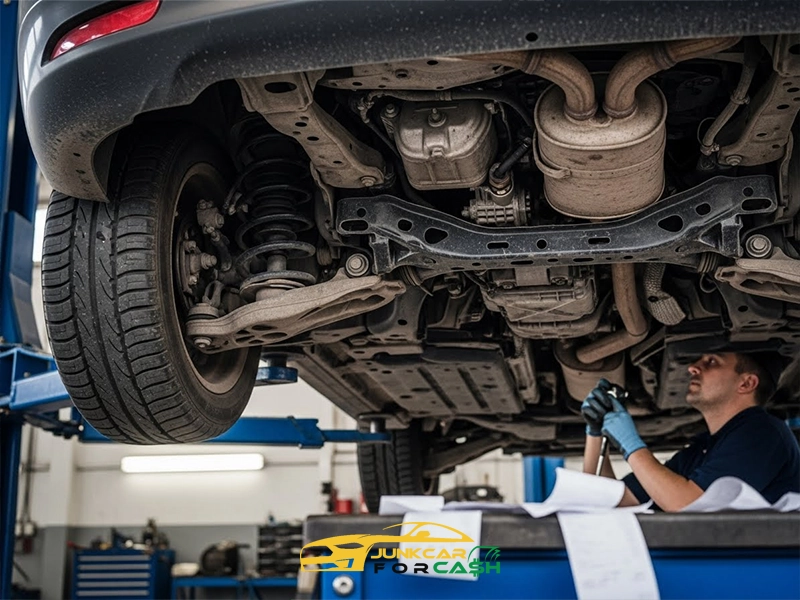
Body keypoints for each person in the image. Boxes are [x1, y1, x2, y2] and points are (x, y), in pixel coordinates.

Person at [581, 352, 800, 511]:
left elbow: (689, 505)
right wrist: (596, 432)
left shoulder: (762, 433)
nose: (693, 367)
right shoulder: (702, 449)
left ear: (746, 383)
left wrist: (632, 446)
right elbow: (610, 500)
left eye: (712, 361)